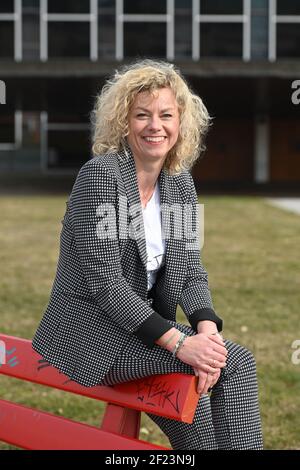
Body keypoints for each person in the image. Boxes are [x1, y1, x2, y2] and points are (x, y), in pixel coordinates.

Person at [32, 59, 263, 450]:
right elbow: (107, 285)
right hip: (95, 335)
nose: (155, 126)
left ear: (181, 124)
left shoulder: (180, 182)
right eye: (142, 115)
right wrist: (180, 343)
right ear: (124, 122)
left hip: (146, 335)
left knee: (204, 434)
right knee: (238, 366)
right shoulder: (101, 177)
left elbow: (190, 271)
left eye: (166, 115)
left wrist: (208, 333)